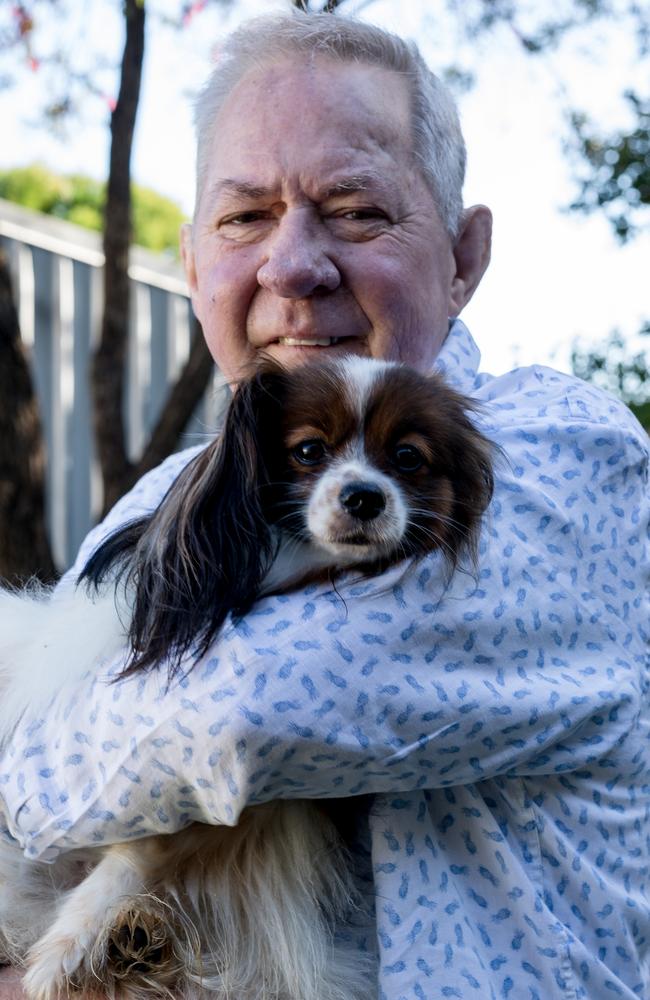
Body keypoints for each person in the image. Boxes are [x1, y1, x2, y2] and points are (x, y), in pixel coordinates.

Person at [1, 11, 649, 999]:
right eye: (244, 217)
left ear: (463, 254)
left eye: (353, 209)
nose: (292, 266)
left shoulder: (557, 456)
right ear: (194, 262)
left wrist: (33, 751)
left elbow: (247, 716)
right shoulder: (150, 502)